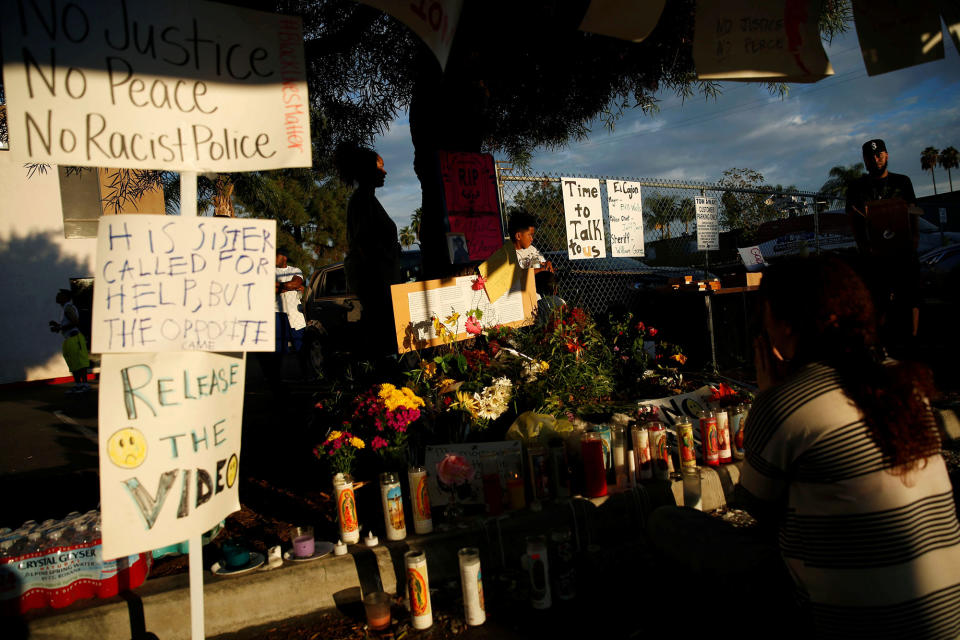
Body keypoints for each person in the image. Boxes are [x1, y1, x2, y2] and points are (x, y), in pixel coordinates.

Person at [739, 256, 960, 637]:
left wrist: (771, 397)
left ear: (786, 322)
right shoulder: (903, 381)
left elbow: (753, 509)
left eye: (766, 314)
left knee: (675, 527)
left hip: (855, 626)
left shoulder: (783, 403)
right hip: (944, 622)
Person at [845, 138, 921, 342]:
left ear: (886, 155)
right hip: (874, 253)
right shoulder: (857, 187)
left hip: (903, 250)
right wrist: (863, 247)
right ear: (865, 160)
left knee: (910, 296)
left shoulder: (902, 181)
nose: (876, 158)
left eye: (879, 154)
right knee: (877, 299)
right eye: (870, 156)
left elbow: (913, 211)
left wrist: (914, 239)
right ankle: (880, 343)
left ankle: (912, 339)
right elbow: (853, 218)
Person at [335, 143, 401, 357]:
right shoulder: (362, 201)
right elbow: (364, 245)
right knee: (380, 342)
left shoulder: (368, 200)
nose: (385, 172)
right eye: (379, 167)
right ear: (365, 171)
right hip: (377, 284)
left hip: (380, 283)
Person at [49, 288, 90, 393]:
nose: (57, 296)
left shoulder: (68, 308)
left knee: (80, 362)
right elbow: (69, 323)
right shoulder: (65, 308)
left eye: (60, 295)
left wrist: (59, 328)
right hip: (69, 339)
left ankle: (84, 385)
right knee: (73, 362)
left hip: (75, 339)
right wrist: (58, 325)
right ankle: (78, 384)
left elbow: (75, 322)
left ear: (66, 297)